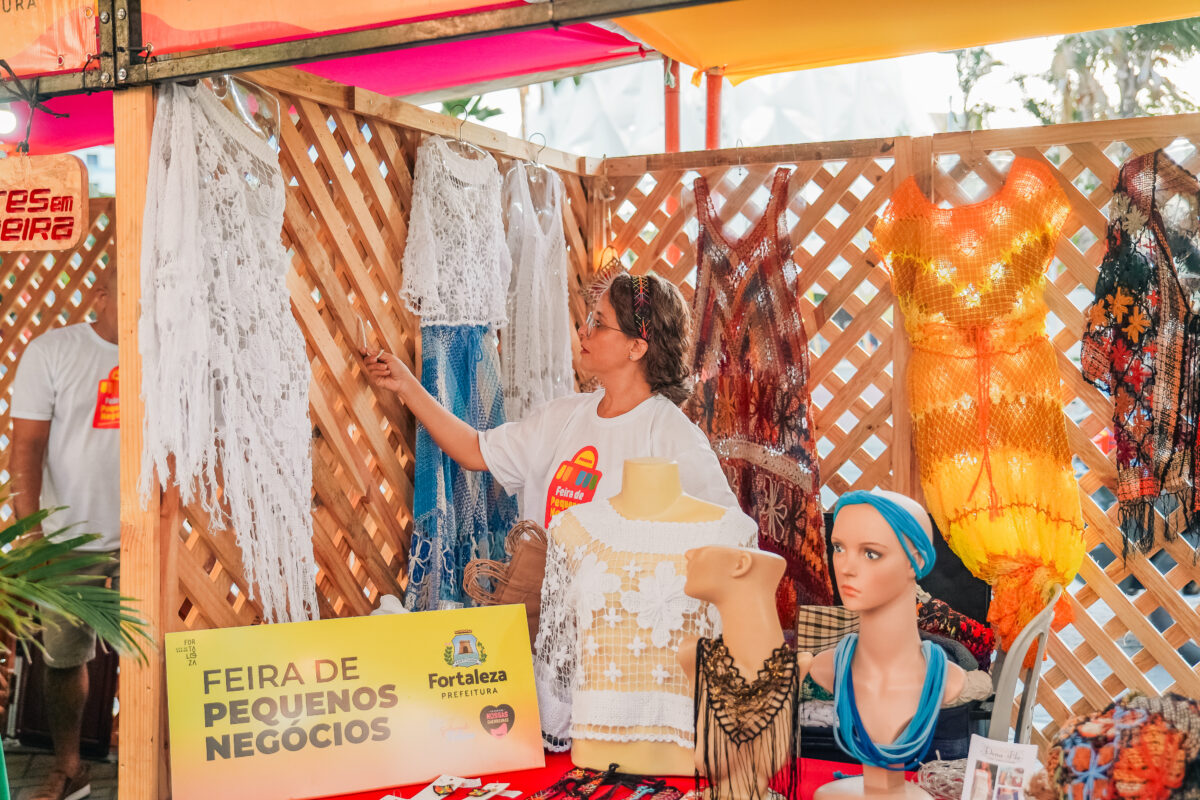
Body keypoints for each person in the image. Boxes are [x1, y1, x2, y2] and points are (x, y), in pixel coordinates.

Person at [364, 271, 736, 529]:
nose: (582, 330)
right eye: (589, 318)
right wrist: (406, 386)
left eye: (599, 323)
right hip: (546, 628)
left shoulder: (670, 435)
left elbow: (727, 531)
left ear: (637, 347)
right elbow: (474, 450)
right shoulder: (562, 417)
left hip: (621, 636)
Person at [10, 267, 120, 800]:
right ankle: (71, 767)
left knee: (158, 656)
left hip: (143, 538)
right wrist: (31, 535)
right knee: (63, 660)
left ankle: (157, 766)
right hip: (66, 541)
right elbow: (26, 447)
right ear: (100, 295)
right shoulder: (51, 351)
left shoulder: (167, 350)